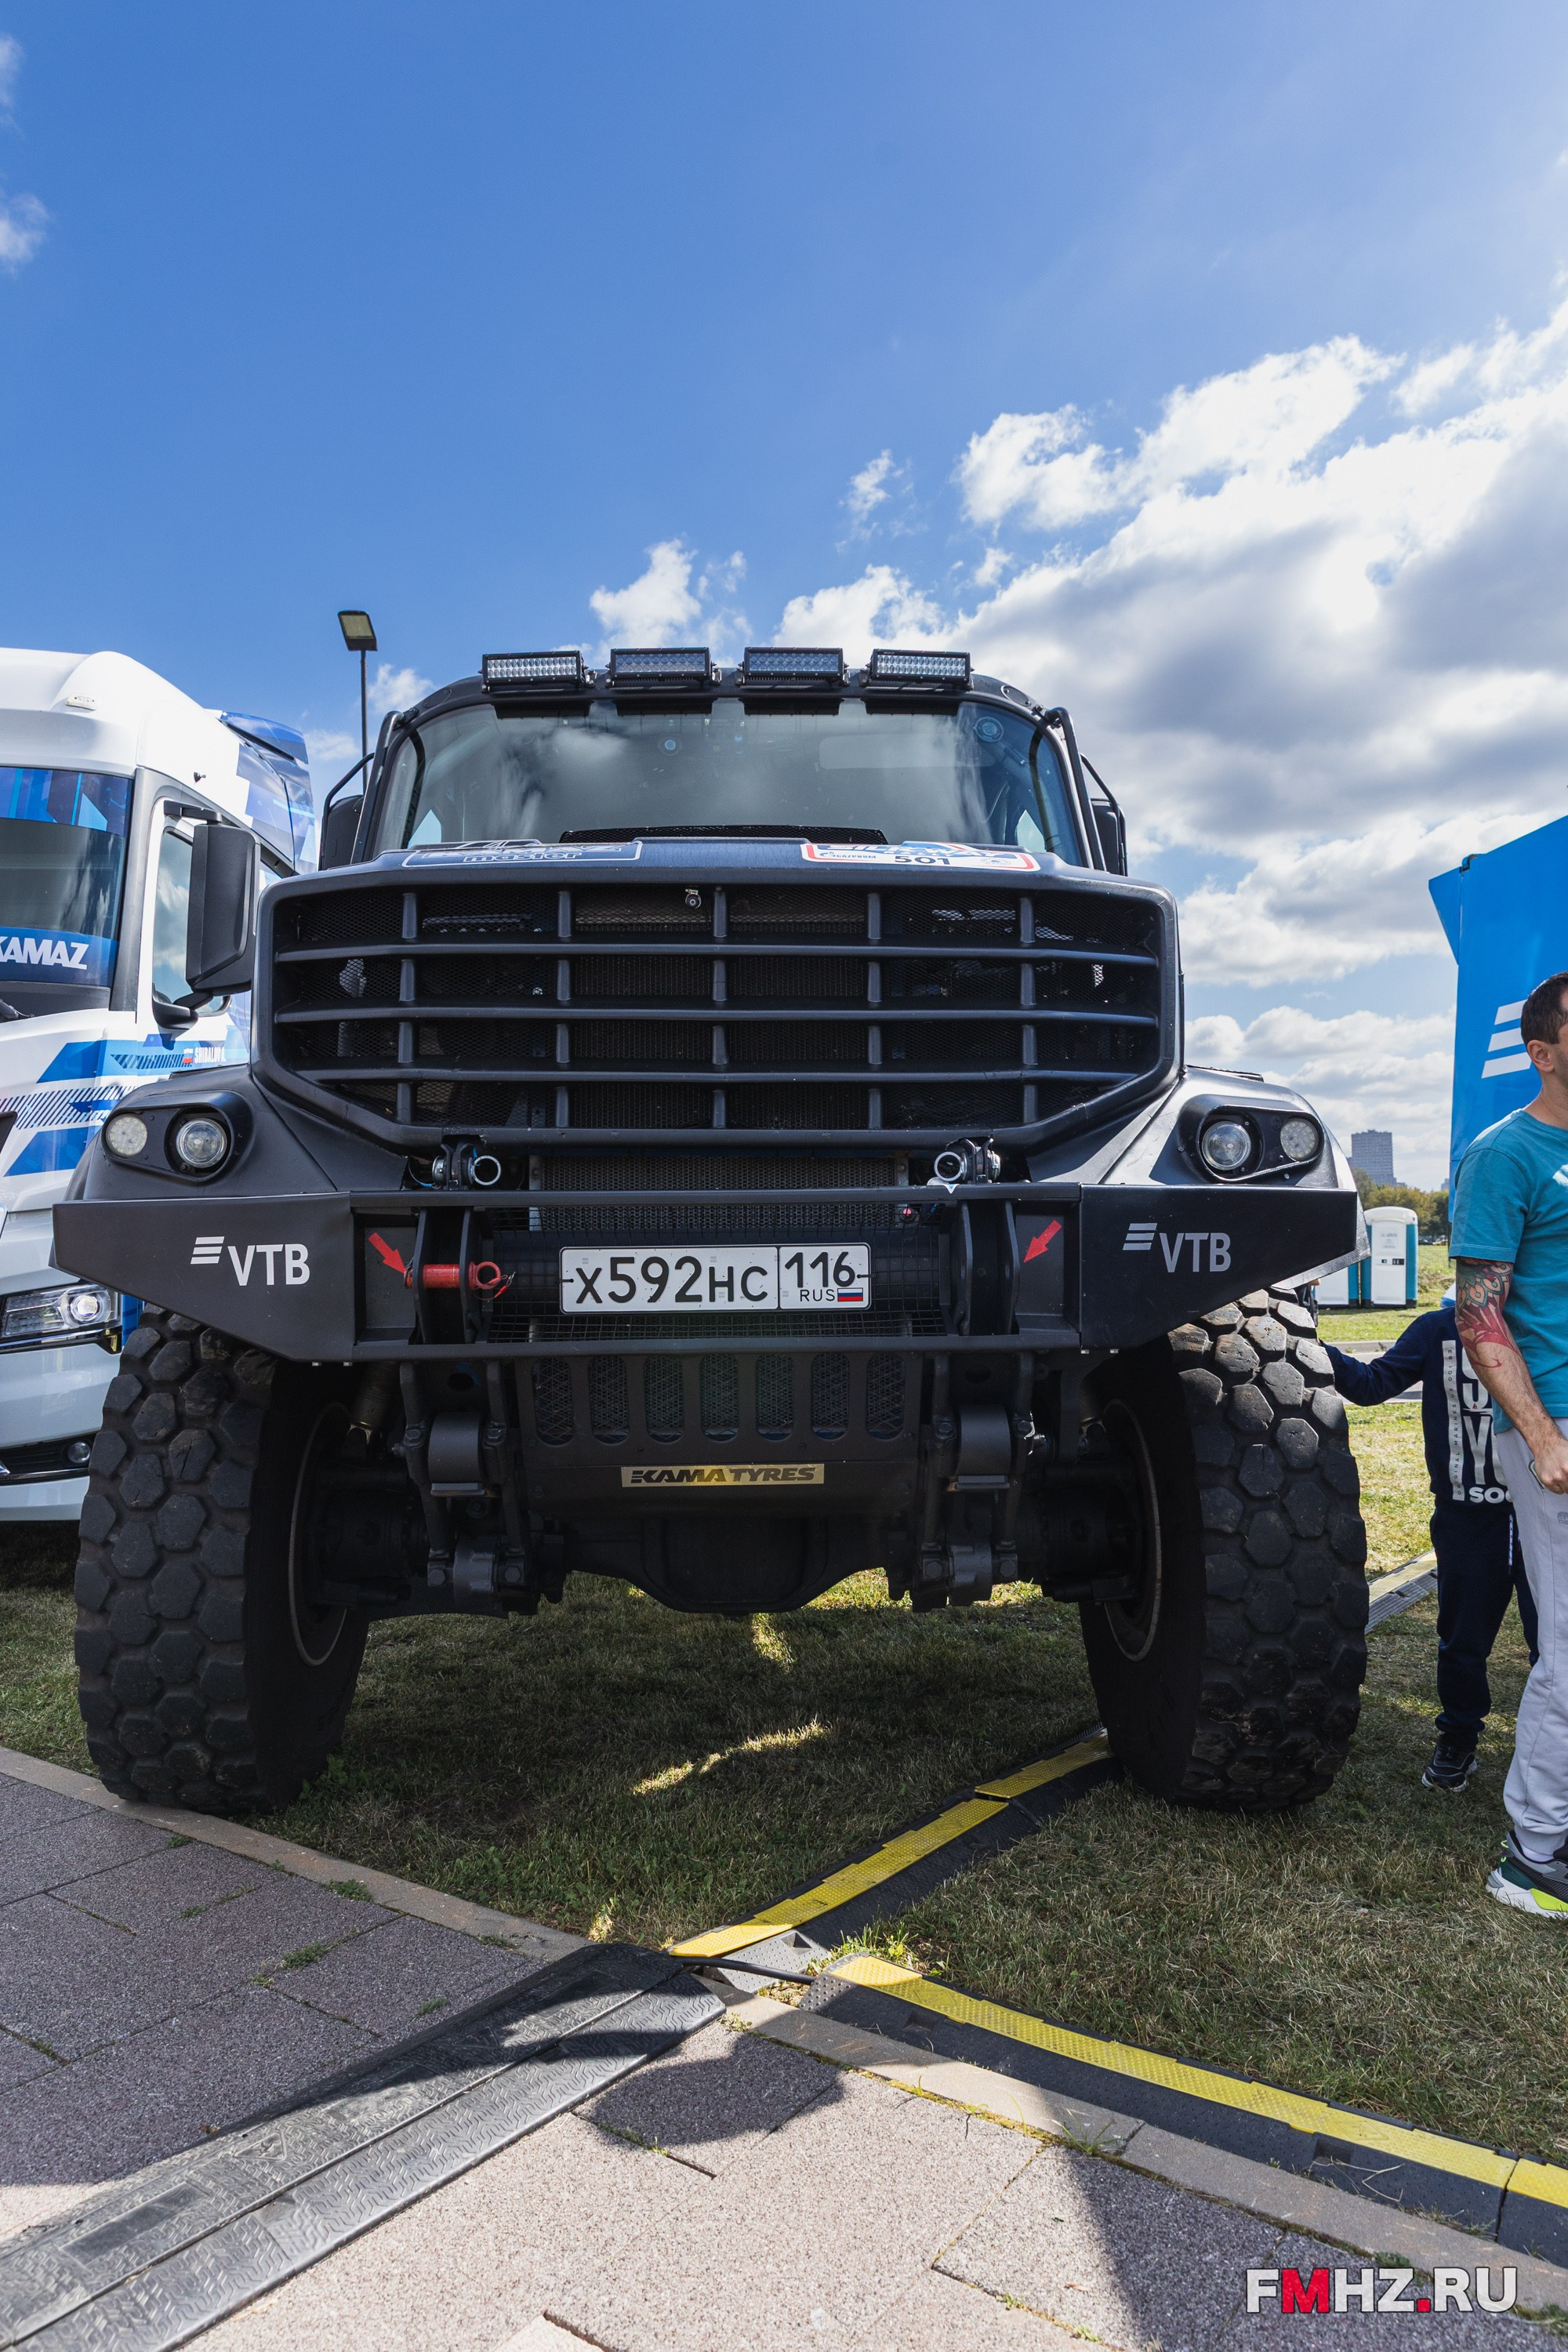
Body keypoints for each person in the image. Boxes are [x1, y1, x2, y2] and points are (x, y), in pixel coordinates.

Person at [1451, 967, 1568, 1918]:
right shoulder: (1503, 1154)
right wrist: (1537, 1435)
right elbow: (1477, 1312)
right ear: (1541, 1051)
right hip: (1555, 1427)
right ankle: (1530, 1857)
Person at [1325, 1300, 1537, 1791]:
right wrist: (1304, 1344)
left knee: (1552, 1642)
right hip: (1466, 1518)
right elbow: (1371, 1385)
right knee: (1463, 1640)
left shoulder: (1543, 1320)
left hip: (1544, 1513)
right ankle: (1458, 1739)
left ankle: (1549, 1751)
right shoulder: (1438, 1328)